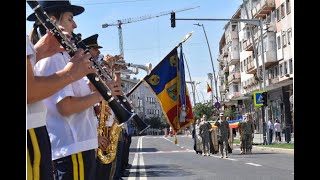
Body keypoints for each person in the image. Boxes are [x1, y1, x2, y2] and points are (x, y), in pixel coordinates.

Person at [28, 1, 104, 179]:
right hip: (70, 144)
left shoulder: (60, 56)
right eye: (70, 19)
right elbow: (65, 107)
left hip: (75, 144)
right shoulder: (54, 59)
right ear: (53, 22)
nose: (75, 25)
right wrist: (100, 95)